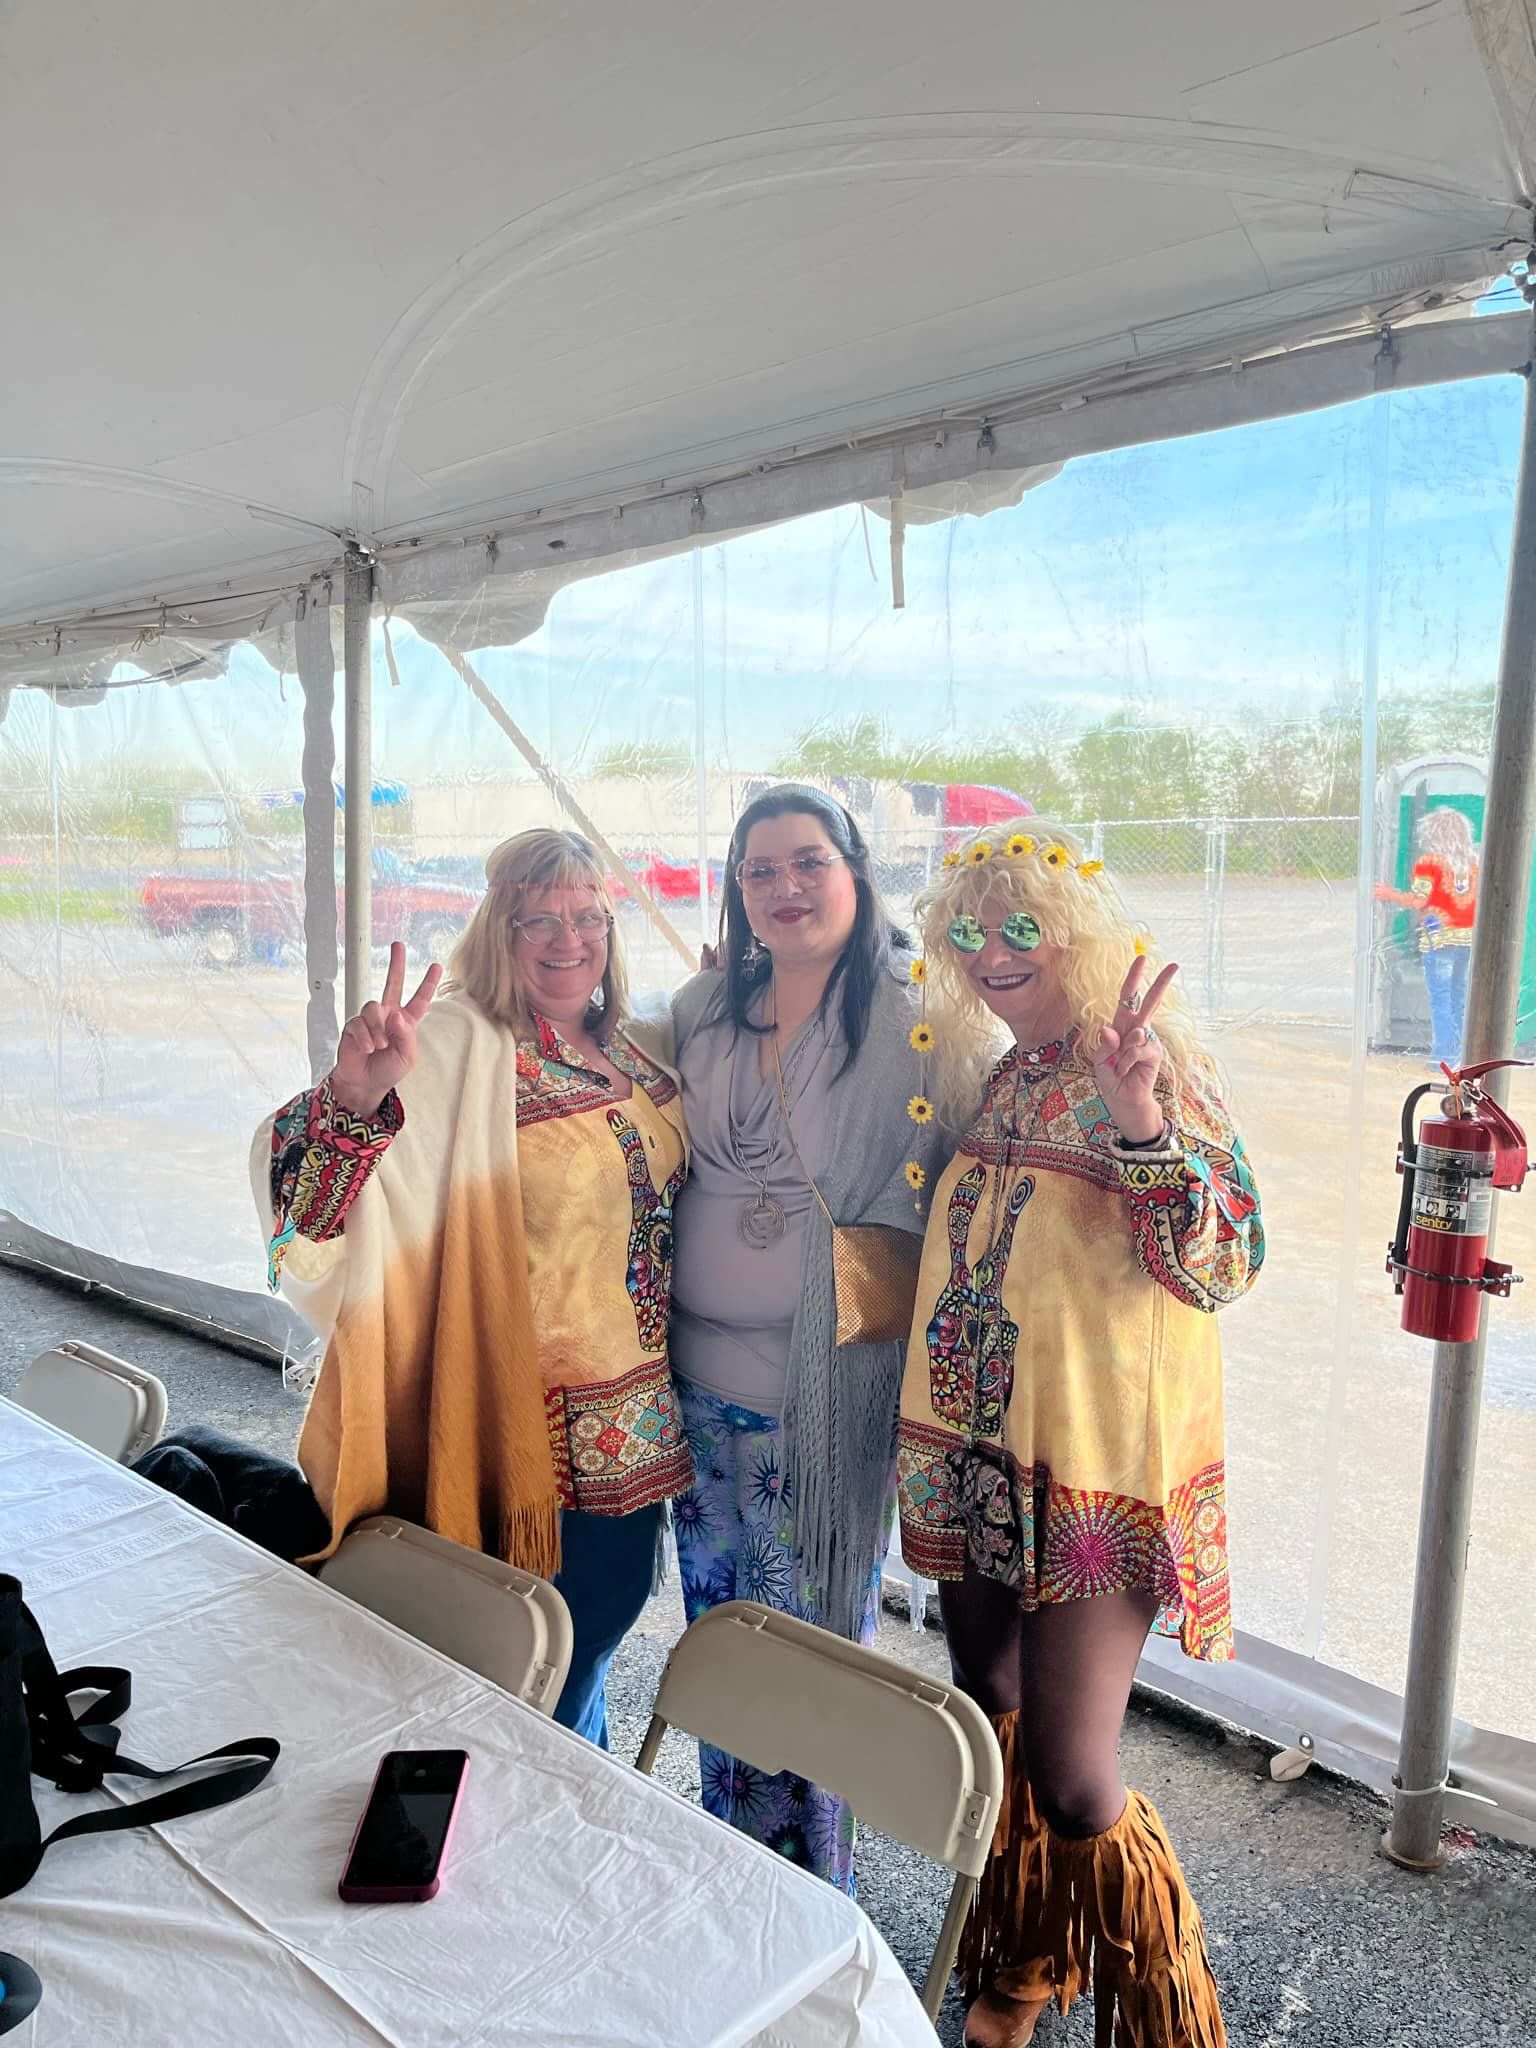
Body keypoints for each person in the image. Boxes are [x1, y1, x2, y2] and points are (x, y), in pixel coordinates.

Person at [896, 824, 1264, 2048]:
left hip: (1098, 1476)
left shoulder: (1156, 1068)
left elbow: (1220, 1263)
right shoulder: (998, 1074)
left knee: (1071, 1766)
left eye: (1021, 927)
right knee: (987, 1701)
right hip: (979, 1459)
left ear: (1078, 936)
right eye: (969, 930)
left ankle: (1168, 2017)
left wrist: (1142, 1120)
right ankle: (1027, 1952)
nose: (992, 953)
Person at [251, 827, 691, 1749]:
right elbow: (302, 1205)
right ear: (500, 931)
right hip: (514, 1429)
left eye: (585, 917)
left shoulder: (643, 1049)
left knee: (592, 1654)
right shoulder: (460, 1045)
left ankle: (567, 1829)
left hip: (642, 1429)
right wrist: (354, 1102)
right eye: (537, 919)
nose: (565, 940)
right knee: (518, 1679)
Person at [660, 784, 947, 1894]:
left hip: (825, 1399)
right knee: (724, 1643)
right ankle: (733, 1870)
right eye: (758, 868)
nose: (784, 887)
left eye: (807, 861)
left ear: (857, 870)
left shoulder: (917, 1014)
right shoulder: (700, 1006)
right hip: (699, 1387)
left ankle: (815, 1893)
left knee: (818, 1657)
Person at [1375, 807, 1480, 1071]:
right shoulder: (1473, 862)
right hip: (1468, 940)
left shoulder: (1429, 863)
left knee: (1441, 1000)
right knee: (1459, 998)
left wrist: (1390, 894)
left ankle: (1442, 1060)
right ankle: (1462, 1056)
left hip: (1439, 939)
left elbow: (1419, 900)